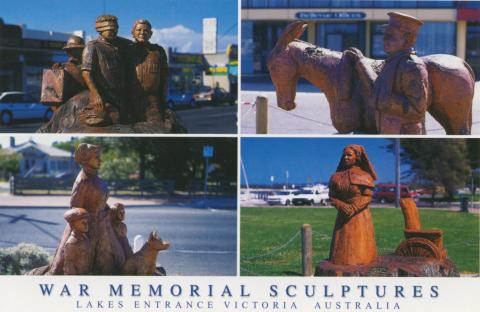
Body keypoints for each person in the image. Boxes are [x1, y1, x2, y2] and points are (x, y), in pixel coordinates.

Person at [49, 143, 125, 275]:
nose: (100, 160)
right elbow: (75, 209)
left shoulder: (95, 177)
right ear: (86, 160)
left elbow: (98, 200)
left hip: (104, 224)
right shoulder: (83, 182)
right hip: (90, 228)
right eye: (97, 157)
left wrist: (107, 209)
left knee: (114, 258)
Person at [353, 12, 429, 134]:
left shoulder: (412, 66)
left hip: (404, 133)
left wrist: (384, 99)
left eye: (390, 36)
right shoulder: (392, 62)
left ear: (408, 39)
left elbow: (418, 110)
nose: (384, 39)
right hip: (388, 130)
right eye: (385, 35)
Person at [328, 144, 377, 265]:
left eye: (349, 155)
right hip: (343, 216)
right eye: (344, 155)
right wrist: (342, 206)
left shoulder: (365, 176)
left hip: (360, 215)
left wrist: (354, 208)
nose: (345, 157)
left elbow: (367, 196)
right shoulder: (336, 176)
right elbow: (332, 196)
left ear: (357, 157)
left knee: (360, 247)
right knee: (342, 247)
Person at [81, 15, 129, 125]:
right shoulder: (93, 46)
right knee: (109, 121)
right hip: (104, 94)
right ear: (100, 30)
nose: (114, 31)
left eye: (116, 28)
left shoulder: (120, 46)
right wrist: (95, 93)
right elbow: (86, 73)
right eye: (110, 29)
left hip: (121, 94)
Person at [128, 19, 168, 124]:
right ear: (132, 33)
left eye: (146, 30)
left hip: (152, 100)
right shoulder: (126, 50)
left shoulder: (158, 51)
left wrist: (163, 99)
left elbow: (164, 76)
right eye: (139, 30)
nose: (142, 33)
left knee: (157, 127)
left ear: (150, 34)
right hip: (130, 98)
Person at [63, 208, 90, 275]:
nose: (86, 225)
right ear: (73, 225)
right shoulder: (72, 243)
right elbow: (69, 266)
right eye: (83, 222)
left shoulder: (84, 237)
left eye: (87, 222)